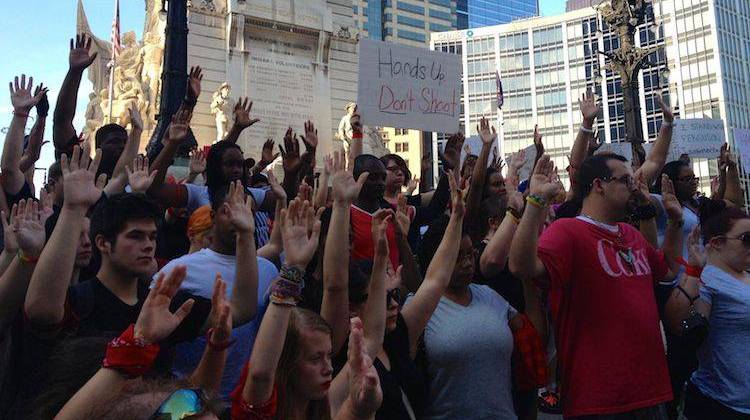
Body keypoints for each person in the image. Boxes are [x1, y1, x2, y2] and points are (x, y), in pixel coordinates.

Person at [510, 153, 686, 419]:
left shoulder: (631, 234)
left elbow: (668, 270)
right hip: (599, 400)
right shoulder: (567, 231)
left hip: (651, 392)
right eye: (625, 180)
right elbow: (520, 267)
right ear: (598, 185)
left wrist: (675, 222)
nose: (634, 187)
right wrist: (535, 201)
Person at [232, 197, 381, 420]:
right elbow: (260, 375)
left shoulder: (321, 407)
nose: (329, 368)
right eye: (315, 358)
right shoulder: (262, 412)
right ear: (286, 364)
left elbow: (372, 337)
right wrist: (293, 269)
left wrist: (363, 407)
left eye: (328, 356)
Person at [157, 180, 278, 398]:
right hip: (185, 398)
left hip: (243, 397)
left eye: (247, 211)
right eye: (228, 211)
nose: (238, 217)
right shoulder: (179, 270)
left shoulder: (268, 270)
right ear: (213, 217)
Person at [665, 201, 750, 419]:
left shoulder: (745, 274)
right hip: (723, 404)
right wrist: (693, 271)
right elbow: (679, 324)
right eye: (747, 239)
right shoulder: (708, 280)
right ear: (717, 242)